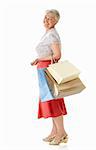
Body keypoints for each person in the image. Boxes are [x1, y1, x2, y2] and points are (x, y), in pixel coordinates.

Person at [31, 9, 68, 145]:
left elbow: (57, 55)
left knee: (53, 101)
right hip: (44, 70)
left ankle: (61, 133)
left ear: (56, 21)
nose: (46, 20)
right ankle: (55, 131)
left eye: (50, 18)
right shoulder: (48, 33)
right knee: (50, 100)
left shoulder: (52, 35)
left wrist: (40, 58)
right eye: (45, 17)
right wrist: (38, 59)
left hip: (48, 71)